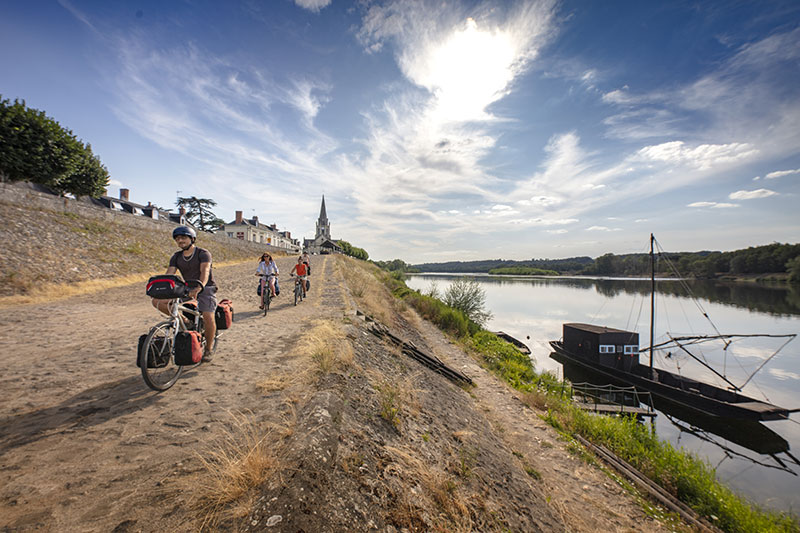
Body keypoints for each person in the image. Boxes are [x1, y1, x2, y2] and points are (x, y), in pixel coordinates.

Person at [152, 226, 217, 362]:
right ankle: (186, 321)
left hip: (206, 288)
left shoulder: (203, 253)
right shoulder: (176, 257)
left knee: (207, 315)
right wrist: (162, 288)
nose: (180, 240)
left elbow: (205, 271)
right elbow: (169, 274)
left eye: (183, 238)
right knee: (157, 301)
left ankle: (209, 349)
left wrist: (200, 287)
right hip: (186, 288)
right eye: (177, 239)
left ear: (192, 239)